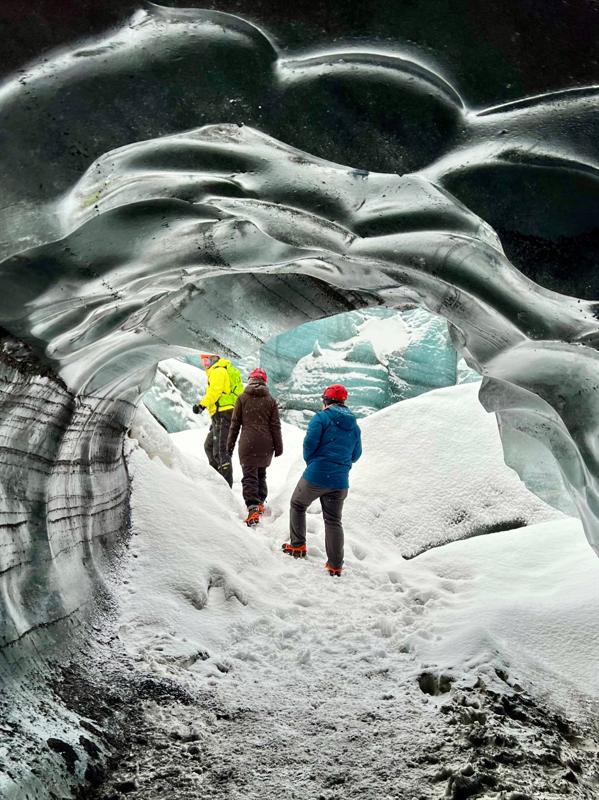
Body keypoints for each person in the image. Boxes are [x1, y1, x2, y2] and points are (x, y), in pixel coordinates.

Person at [282, 384, 362, 576]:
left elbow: (309, 444)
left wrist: (314, 462)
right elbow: (356, 454)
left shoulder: (321, 418)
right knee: (333, 520)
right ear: (343, 402)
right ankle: (335, 565)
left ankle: (298, 546)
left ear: (326, 400)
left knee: (298, 504)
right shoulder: (354, 425)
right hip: (340, 481)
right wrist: (341, 465)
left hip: (317, 475)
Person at [227, 368, 283, 527]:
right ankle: (259, 502)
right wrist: (279, 447)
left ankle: (252, 507)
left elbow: (234, 425)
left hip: (248, 442)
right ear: (264, 382)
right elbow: (275, 426)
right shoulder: (270, 400)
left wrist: (229, 446)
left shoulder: (242, 398)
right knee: (261, 473)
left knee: (249, 475)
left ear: (250, 380)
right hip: (266, 443)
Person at [192, 353, 244, 487]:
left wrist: (202, 405)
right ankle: (216, 481)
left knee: (221, 452)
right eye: (203, 360)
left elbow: (215, 391)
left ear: (213, 359)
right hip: (220, 414)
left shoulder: (218, 371)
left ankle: (225, 488)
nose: (204, 363)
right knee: (209, 446)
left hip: (224, 413)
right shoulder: (218, 370)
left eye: (206, 360)